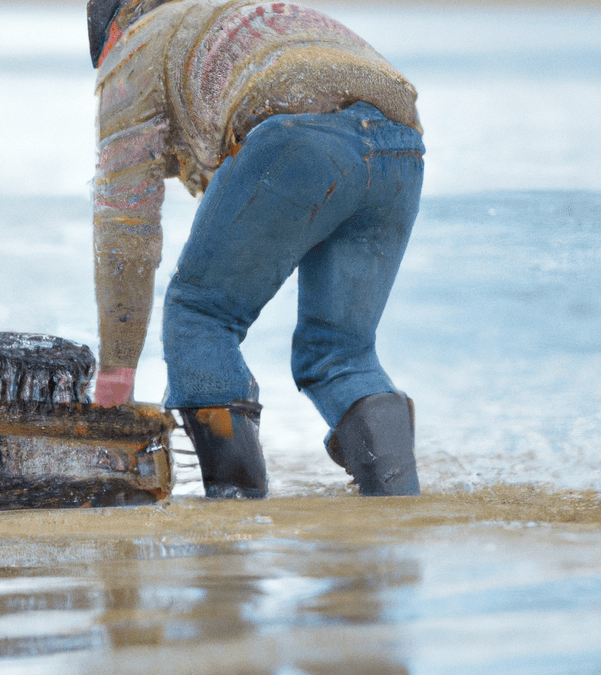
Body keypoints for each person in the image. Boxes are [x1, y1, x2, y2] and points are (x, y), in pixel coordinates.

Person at [88, 0, 424, 498]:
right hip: (401, 145)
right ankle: (398, 503)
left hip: (296, 137)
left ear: (111, 32)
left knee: (199, 315)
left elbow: (124, 225)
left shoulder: (134, 46)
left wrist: (116, 374)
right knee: (342, 352)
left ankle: (234, 511)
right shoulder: (226, 17)